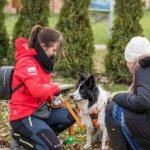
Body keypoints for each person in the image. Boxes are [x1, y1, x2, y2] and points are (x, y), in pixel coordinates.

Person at [9, 25, 75, 150]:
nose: (54, 54)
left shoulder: (40, 59)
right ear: (43, 46)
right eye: (54, 50)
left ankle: (43, 137)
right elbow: (36, 89)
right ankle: (20, 137)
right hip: (24, 116)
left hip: (39, 111)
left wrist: (52, 100)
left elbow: (41, 88)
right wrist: (54, 88)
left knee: (70, 115)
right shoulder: (27, 62)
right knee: (54, 147)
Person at [105, 36, 150, 150]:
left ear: (131, 60)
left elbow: (143, 102)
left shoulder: (143, 68)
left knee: (112, 108)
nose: (127, 66)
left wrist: (117, 96)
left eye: (127, 62)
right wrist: (125, 94)